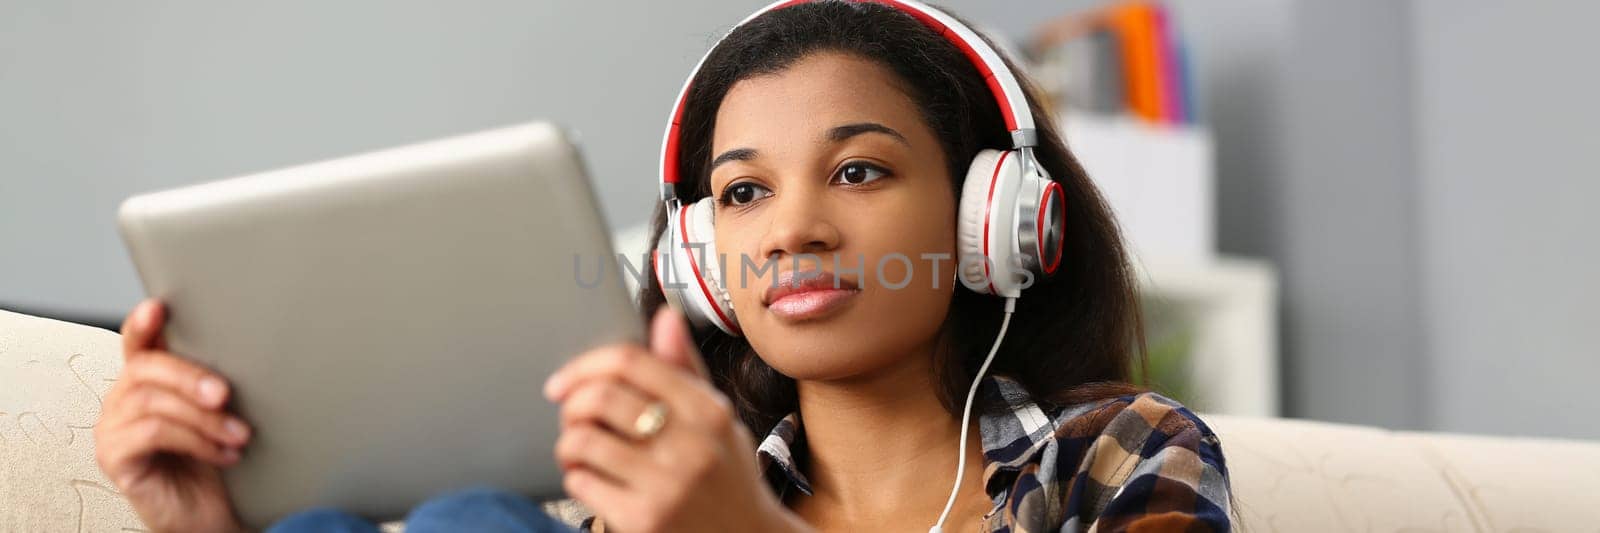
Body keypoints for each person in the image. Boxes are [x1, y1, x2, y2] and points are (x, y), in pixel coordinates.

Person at [94, 1, 1232, 532]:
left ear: (998, 213)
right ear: (696, 257)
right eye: (740, 192)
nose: (790, 229)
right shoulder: (647, 501)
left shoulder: (1118, 451)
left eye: (859, 171)